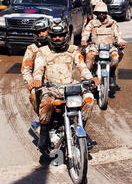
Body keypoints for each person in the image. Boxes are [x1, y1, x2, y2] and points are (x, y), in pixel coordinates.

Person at [31, 19, 100, 154]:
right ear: (50, 36)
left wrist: (90, 78)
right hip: (51, 87)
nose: (57, 38)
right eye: (54, 35)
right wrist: (37, 80)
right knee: (46, 103)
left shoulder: (73, 50)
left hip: (70, 87)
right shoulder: (42, 51)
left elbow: (82, 66)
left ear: (66, 36)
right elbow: (38, 69)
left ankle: (81, 129)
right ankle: (44, 133)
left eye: (61, 35)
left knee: (89, 99)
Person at [81, 2, 127, 87]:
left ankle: (112, 73)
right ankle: (88, 78)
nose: (101, 14)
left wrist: (120, 41)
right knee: (89, 56)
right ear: (96, 13)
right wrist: (84, 41)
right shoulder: (92, 23)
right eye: (99, 12)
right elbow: (86, 33)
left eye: (103, 12)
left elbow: (118, 34)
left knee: (116, 55)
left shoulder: (112, 23)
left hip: (110, 46)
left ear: (106, 13)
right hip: (95, 46)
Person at [21, 18, 50, 116]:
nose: (41, 34)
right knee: (33, 94)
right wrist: (30, 81)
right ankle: (42, 118)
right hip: (40, 82)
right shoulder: (32, 49)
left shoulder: (56, 45)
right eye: (38, 32)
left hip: (57, 80)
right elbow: (25, 69)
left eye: (43, 31)